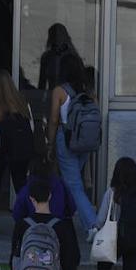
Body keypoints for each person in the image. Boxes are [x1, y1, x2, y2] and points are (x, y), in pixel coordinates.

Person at [47, 55, 98, 236]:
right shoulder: (87, 90)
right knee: (74, 183)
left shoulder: (59, 91)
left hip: (66, 139)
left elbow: (54, 120)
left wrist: (50, 143)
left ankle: (93, 225)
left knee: (74, 184)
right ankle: (65, 216)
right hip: (85, 141)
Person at [0, 70, 34, 236]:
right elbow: (31, 128)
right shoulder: (22, 104)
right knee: (21, 185)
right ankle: (28, 218)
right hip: (20, 150)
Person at [36, 23, 77, 95]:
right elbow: (41, 85)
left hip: (68, 98)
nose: (57, 39)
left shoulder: (72, 58)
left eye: (59, 36)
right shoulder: (46, 57)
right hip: (52, 97)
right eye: (54, 36)